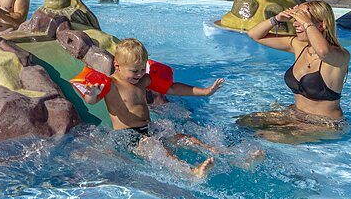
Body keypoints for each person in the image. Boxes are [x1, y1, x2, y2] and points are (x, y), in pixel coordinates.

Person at [73, 38, 236, 179]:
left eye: (142, 69)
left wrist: (205, 92)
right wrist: (92, 93)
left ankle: (222, 154)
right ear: (117, 65)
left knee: (185, 138)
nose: (139, 74)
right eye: (134, 71)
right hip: (127, 135)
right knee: (158, 150)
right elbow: (91, 101)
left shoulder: (143, 80)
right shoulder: (111, 84)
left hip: (148, 128)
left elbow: (171, 88)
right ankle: (191, 172)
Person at [239, 1, 351, 142]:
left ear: (321, 25)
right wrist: (277, 19)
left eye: (301, 21)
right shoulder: (299, 45)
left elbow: (323, 51)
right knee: (244, 122)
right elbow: (255, 35)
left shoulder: (340, 56)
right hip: (295, 114)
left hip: (325, 125)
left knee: (265, 136)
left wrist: (306, 22)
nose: (295, 24)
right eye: (295, 20)